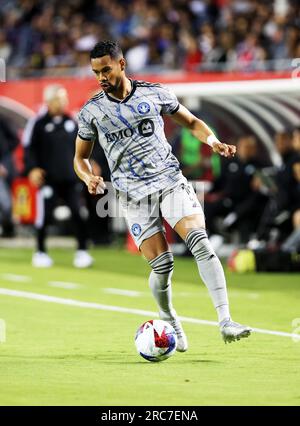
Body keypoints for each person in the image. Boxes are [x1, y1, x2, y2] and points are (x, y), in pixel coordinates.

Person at [74, 40, 251, 350]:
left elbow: (192, 122)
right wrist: (88, 175)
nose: (101, 77)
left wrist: (213, 142)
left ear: (122, 64)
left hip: (169, 180)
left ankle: (225, 321)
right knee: (163, 265)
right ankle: (168, 318)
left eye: (106, 69)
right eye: (95, 72)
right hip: (132, 195)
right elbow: (80, 157)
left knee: (199, 239)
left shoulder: (154, 92)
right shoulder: (92, 111)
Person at [24, 84, 93, 268]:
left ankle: (82, 251)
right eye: (59, 98)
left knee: (79, 214)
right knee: (44, 217)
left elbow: (83, 148)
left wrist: (87, 167)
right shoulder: (38, 123)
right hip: (48, 180)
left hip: (71, 180)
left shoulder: (73, 122)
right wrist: (32, 169)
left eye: (64, 98)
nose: (63, 102)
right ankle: (40, 252)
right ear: (49, 101)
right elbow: (28, 149)